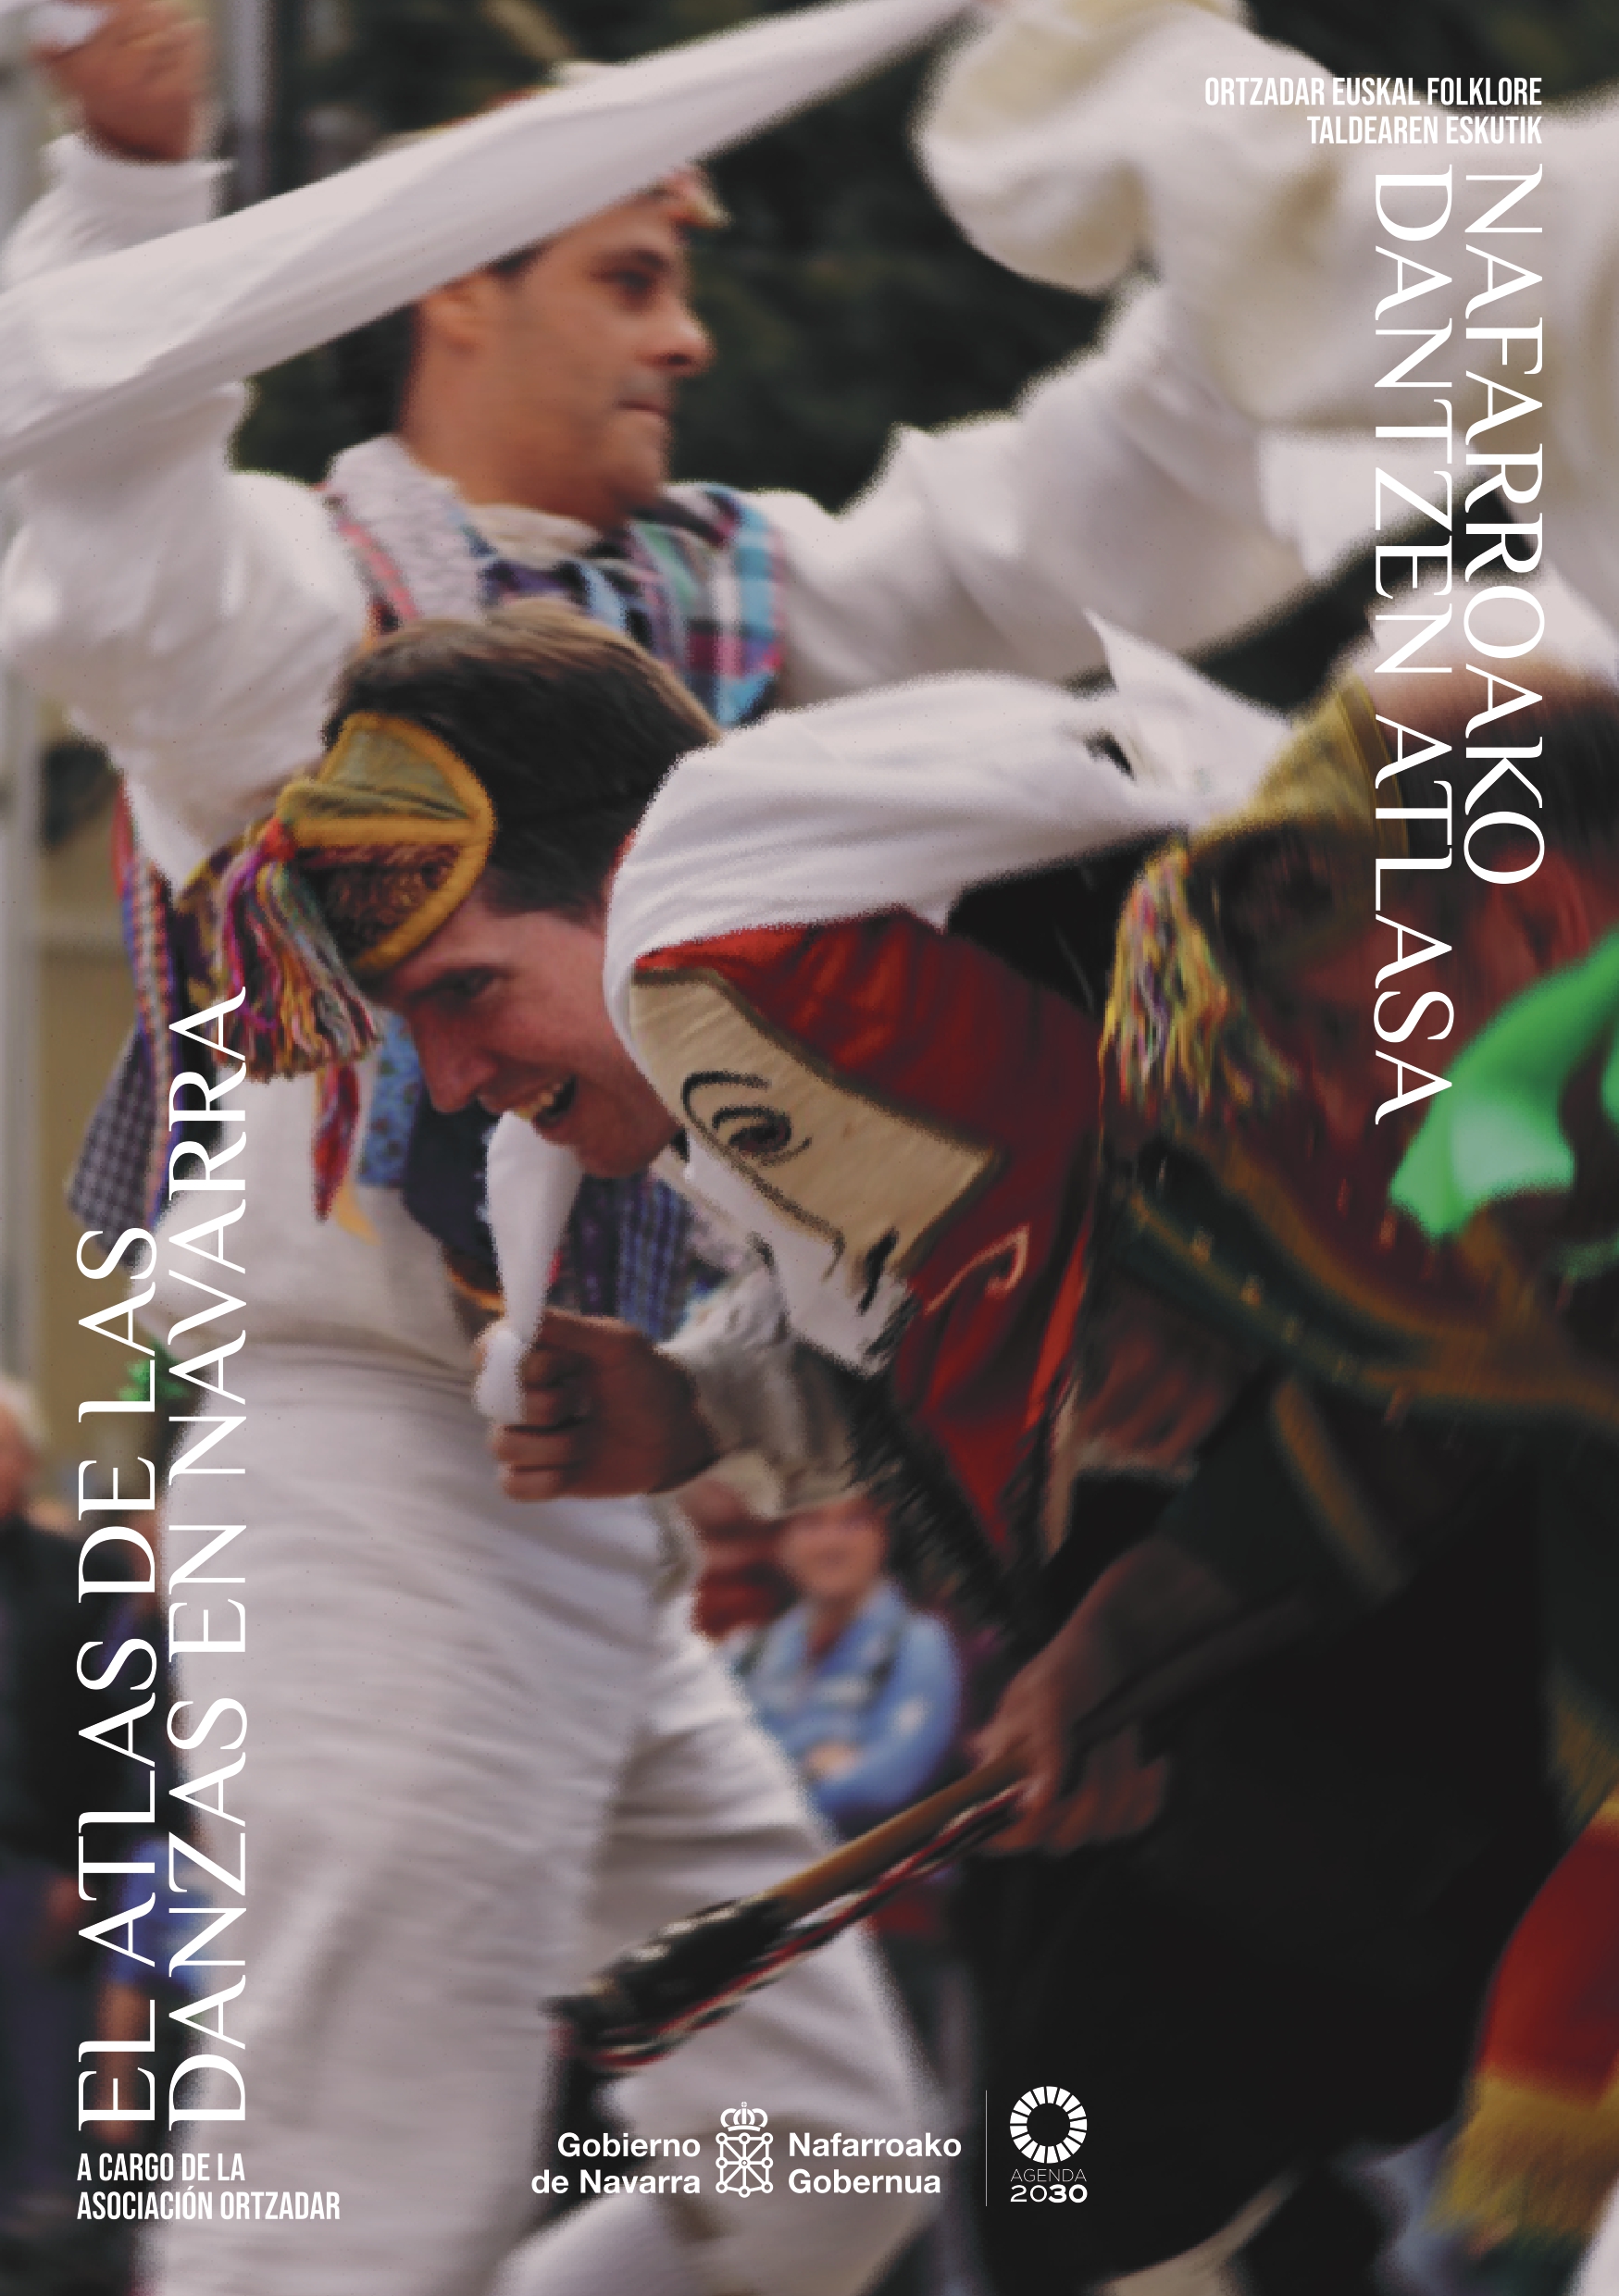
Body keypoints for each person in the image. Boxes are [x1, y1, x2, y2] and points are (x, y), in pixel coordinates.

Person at [209, 603, 1618, 2291]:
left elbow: (1394, 1339)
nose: (450, 1075)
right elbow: (1345, 1384)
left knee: (1112, 2132)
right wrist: (711, 1415)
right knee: (1086, 2145)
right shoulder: (777, 1075)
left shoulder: (782, 977)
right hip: (1329, 1729)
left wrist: (1140, 1287)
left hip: (1428, 1724)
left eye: (468, 990)